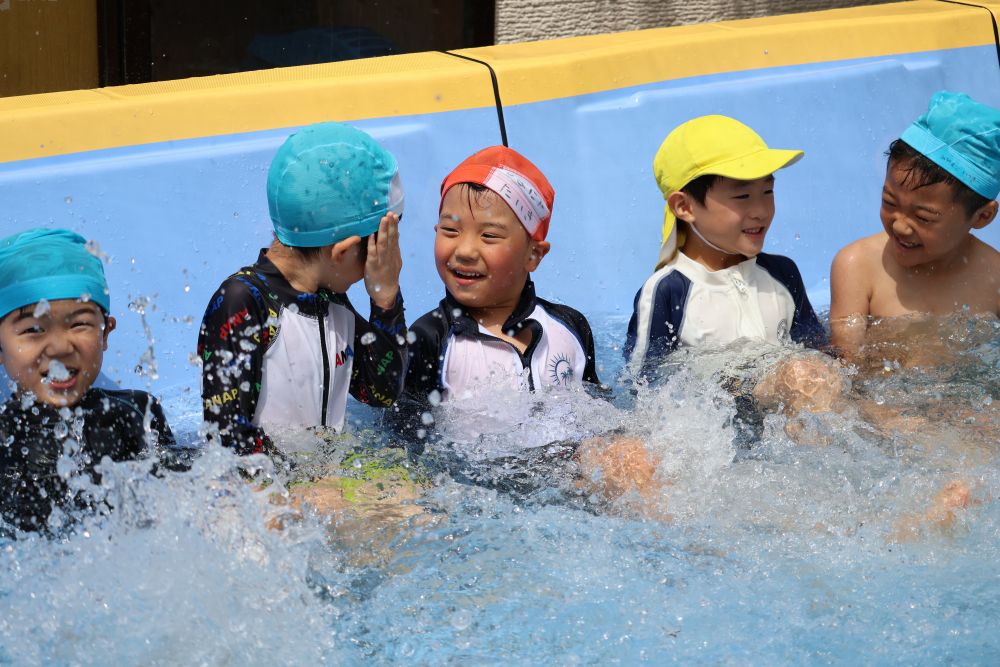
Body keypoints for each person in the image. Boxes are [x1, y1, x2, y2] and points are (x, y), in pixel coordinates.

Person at [198, 121, 407, 457]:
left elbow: (381, 393)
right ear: (342, 252)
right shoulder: (243, 302)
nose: (386, 259)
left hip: (323, 479)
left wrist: (386, 298)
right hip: (267, 495)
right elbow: (227, 440)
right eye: (381, 247)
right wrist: (301, 487)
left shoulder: (331, 298)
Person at [396, 145, 601, 426]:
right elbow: (402, 442)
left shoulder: (570, 327)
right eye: (450, 231)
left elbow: (599, 417)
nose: (465, 250)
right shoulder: (430, 340)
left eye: (489, 235)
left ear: (533, 255)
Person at [0, 228, 176, 535]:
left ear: (105, 333)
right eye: (32, 330)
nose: (59, 348)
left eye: (79, 323)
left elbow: (185, 493)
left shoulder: (137, 413)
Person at [624, 115, 826, 379]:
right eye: (742, 196)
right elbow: (643, 388)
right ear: (684, 207)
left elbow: (819, 352)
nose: (761, 211)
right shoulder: (668, 291)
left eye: (768, 191)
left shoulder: (782, 273)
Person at [830, 90, 1000, 363]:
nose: (900, 225)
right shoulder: (857, 266)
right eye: (889, 201)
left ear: (982, 217)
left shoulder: (994, 278)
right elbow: (847, 367)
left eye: (923, 218)